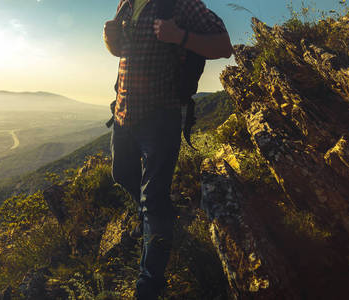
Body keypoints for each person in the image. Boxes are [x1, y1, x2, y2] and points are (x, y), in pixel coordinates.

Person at [103, 0, 232, 298]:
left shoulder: (182, 3)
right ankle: (157, 221)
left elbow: (224, 46)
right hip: (124, 113)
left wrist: (181, 37)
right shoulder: (127, 3)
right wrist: (110, 41)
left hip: (160, 117)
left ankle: (149, 286)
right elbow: (123, 51)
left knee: (154, 199)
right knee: (121, 173)